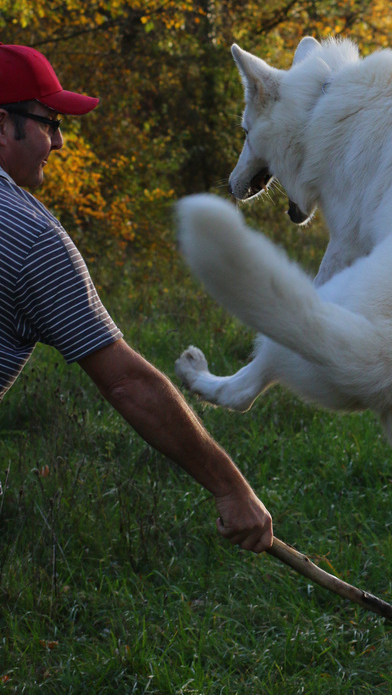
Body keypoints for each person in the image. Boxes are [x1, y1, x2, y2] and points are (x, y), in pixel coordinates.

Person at [0, 43, 272, 552]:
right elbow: (126, 384)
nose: (59, 141)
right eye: (48, 122)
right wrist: (231, 489)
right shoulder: (31, 237)